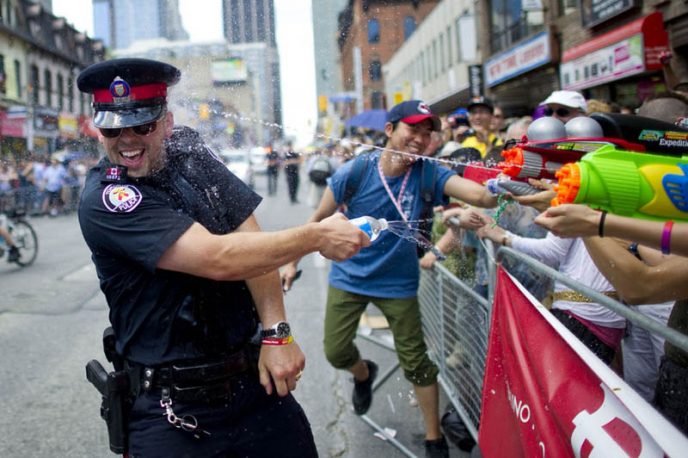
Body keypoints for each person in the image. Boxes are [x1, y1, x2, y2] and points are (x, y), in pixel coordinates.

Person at [76, 57, 370, 457]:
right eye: (112, 128)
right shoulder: (107, 199)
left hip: (254, 387)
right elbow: (220, 257)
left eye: (142, 125)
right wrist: (315, 235)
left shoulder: (189, 150)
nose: (127, 140)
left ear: (167, 122)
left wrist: (276, 330)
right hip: (171, 411)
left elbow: (246, 234)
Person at [281, 100, 499, 457]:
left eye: (428, 133)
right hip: (350, 276)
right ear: (390, 131)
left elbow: (478, 195)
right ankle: (364, 373)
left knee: (416, 361)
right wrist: (291, 260)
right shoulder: (357, 170)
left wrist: (505, 186)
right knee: (336, 352)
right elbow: (318, 218)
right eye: (412, 129)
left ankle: (433, 439)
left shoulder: (428, 172)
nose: (420, 139)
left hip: (398, 282)